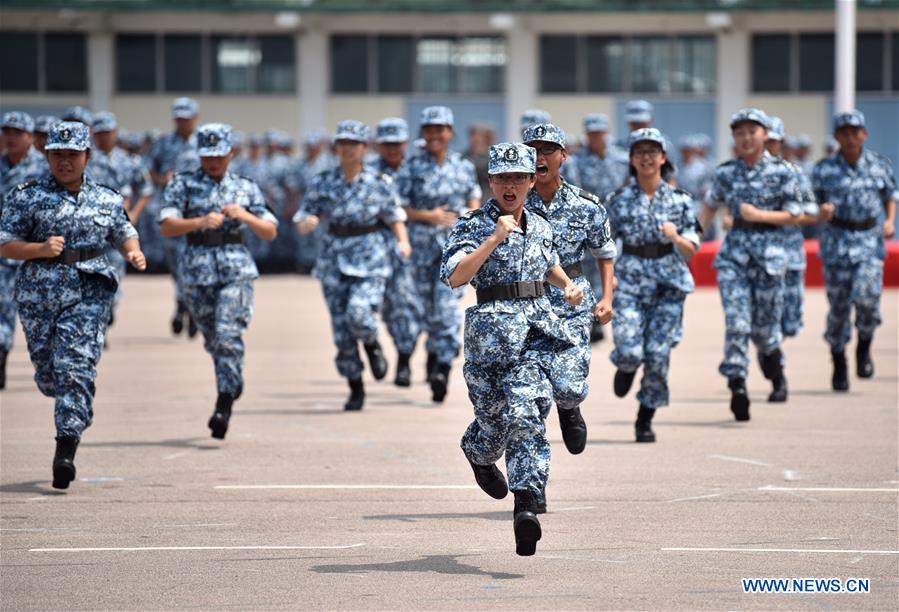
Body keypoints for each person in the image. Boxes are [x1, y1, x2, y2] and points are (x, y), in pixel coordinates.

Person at [442, 142, 583, 556]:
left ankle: (526, 505)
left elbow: (546, 262)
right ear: (491, 181)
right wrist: (492, 239)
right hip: (490, 339)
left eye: (519, 177)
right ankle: (479, 454)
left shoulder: (539, 224)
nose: (511, 185)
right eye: (503, 178)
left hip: (535, 332)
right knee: (493, 424)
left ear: (531, 180)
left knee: (527, 413)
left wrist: (566, 285)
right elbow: (454, 277)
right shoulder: (471, 224)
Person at [0, 121, 146, 488]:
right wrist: (38, 249)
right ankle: (69, 404)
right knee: (50, 377)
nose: (64, 162)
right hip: (39, 295)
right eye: (57, 155)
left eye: (72, 155)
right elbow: (4, 243)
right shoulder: (26, 196)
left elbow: (124, 231)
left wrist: (134, 252)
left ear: (87, 156)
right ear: (48, 156)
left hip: (88, 292)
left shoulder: (107, 198)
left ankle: (65, 449)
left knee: (75, 368)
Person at [159, 123, 277, 439]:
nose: (213, 162)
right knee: (214, 340)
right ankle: (232, 378)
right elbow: (167, 226)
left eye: (219, 155)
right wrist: (198, 221)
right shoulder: (181, 185)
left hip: (235, 269)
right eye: (207, 155)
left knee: (227, 333)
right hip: (197, 272)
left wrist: (246, 216)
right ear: (199, 154)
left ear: (231, 153)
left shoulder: (247, 187)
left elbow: (270, 230)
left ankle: (224, 402)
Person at [295, 120, 411, 411]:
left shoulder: (379, 182)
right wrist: (306, 223)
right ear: (336, 147)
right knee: (341, 330)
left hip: (370, 255)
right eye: (343, 143)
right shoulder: (322, 181)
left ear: (364, 148)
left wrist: (403, 242)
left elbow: (394, 215)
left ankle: (372, 343)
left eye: (354, 144)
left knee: (359, 313)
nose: (348, 149)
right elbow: (305, 213)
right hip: (334, 257)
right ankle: (355, 385)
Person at [699, 108, 801, 422]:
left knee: (765, 331)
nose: (745, 138)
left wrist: (760, 215)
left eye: (751, 131)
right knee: (738, 323)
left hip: (771, 257)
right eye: (739, 132)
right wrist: (689, 242)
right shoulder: (726, 172)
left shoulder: (784, 172)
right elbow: (708, 210)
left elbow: (795, 214)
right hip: (735, 258)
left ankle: (774, 367)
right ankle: (737, 383)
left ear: (765, 135)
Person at [523, 123, 615, 458]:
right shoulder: (512, 203)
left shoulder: (586, 204)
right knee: (527, 395)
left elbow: (605, 254)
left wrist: (606, 298)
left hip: (572, 299)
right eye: (533, 149)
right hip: (526, 299)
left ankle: (570, 406)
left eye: (548, 150)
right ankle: (532, 484)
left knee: (568, 383)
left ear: (563, 156)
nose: (540, 157)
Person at [606, 129, 699, 442]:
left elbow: (692, 247)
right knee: (631, 349)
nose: (646, 157)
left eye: (652, 151)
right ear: (632, 160)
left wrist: (675, 237)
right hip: (631, 280)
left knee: (658, 357)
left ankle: (644, 418)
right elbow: (605, 244)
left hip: (668, 285)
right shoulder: (617, 201)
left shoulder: (682, 201)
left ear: (663, 157)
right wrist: (610, 276)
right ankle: (627, 365)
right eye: (639, 152)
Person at [396, 106, 480, 402]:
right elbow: (398, 208)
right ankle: (423, 355)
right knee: (420, 310)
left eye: (439, 129)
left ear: (450, 132)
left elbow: (473, 196)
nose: (434, 135)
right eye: (429, 129)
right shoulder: (411, 167)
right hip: (419, 248)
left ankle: (442, 366)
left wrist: (469, 216)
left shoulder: (463, 165)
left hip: (453, 247)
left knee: (446, 310)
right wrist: (426, 215)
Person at [812, 110, 897, 391]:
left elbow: (890, 196)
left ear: (864, 134)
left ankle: (864, 345)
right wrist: (820, 211)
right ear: (837, 137)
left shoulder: (879, 165)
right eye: (844, 132)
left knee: (868, 299)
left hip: (869, 240)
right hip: (837, 241)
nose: (850, 137)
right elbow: (808, 203)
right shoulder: (823, 169)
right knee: (839, 308)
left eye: (854, 131)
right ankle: (838, 360)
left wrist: (889, 221)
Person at [370, 118, 424, 386]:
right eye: (387, 144)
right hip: (374, 247)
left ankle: (404, 359)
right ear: (379, 145)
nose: (392, 149)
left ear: (405, 143)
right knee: (387, 308)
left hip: (411, 246)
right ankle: (387, 345)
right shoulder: (368, 171)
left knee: (406, 305)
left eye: (397, 143)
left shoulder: (415, 168)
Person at [0, 111, 50, 390]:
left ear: (31, 137)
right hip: (4, 252)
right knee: (1, 309)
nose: (11, 137)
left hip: (37, 255)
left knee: (40, 319)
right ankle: (1, 352)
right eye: (7, 131)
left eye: (18, 132)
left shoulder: (46, 169)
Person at [573, 113, 628, 342]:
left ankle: (603, 310)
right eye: (591, 133)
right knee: (586, 269)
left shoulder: (622, 159)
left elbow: (628, 186)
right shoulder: (577, 161)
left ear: (606, 133)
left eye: (599, 132)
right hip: (589, 221)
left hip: (616, 221)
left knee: (608, 267)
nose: (596, 137)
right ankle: (591, 317)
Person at [764, 117, 820, 342]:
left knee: (791, 321)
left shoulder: (794, 174)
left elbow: (812, 212)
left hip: (790, 251)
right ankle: (771, 351)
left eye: (774, 142)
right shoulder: (743, 173)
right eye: (766, 141)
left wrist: (786, 217)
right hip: (760, 254)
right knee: (764, 316)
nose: (769, 147)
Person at [150, 97, 200, 336]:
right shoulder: (162, 144)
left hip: (198, 214)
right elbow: (150, 170)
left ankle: (188, 304)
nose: (182, 122)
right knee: (175, 262)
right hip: (171, 211)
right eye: (179, 118)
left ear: (195, 118)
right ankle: (184, 302)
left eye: (186, 118)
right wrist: (163, 180)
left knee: (195, 263)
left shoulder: (204, 142)